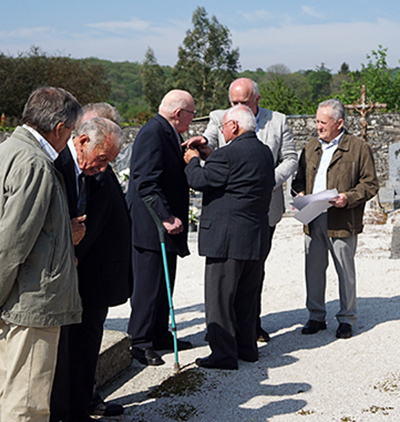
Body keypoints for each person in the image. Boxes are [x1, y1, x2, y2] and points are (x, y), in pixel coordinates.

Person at [184, 77, 297, 342]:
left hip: (263, 205)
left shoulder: (277, 121)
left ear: (257, 100)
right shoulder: (220, 117)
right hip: (230, 205)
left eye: (242, 102)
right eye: (233, 102)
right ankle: (238, 336)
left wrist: (266, 180)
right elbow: (211, 142)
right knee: (237, 274)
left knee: (251, 273)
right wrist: (203, 146)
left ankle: (249, 327)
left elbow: (290, 158)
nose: (236, 106)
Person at [0, 87, 82, 421]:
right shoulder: (35, 163)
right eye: (71, 132)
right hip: (30, 300)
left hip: (19, 296)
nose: (70, 140)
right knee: (27, 402)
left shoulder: (10, 149)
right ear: (60, 127)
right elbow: (13, 240)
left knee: (13, 388)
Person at [51, 114, 130, 422]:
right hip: (79, 272)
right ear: (83, 140)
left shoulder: (92, 166)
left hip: (93, 275)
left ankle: (84, 400)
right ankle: (74, 408)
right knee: (73, 348)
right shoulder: (62, 165)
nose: (104, 167)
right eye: (102, 159)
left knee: (87, 344)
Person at [184, 105, 275, 369]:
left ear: (233, 126)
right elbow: (232, 172)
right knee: (246, 298)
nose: (222, 131)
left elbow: (200, 180)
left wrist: (192, 158)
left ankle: (223, 354)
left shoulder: (227, 155)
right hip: (254, 237)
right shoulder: (263, 151)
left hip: (226, 239)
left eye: (223, 126)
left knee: (220, 299)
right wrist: (211, 155)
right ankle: (247, 349)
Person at [291, 99, 379, 339]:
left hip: (342, 219)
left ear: (339, 123)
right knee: (313, 270)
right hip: (313, 216)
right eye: (316, 121)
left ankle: (347, 319)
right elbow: (298, 180)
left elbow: (370, 184)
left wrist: (347, 198)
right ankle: (316, 317)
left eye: (323, 122)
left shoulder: (359, 148)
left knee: (345, 270)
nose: (317, 126)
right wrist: (299, 193)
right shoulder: (310, 147)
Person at [126, 90, 195, 366]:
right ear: (178, 114)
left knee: (164, 283)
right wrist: (165, 217)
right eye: (191, 113)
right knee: (148, 286)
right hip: (151, 225)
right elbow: (145, 181)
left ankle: (159, 333)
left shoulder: (168, 132)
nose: (192, 118)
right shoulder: (152, 132)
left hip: (165, 227)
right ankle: (140, 341)